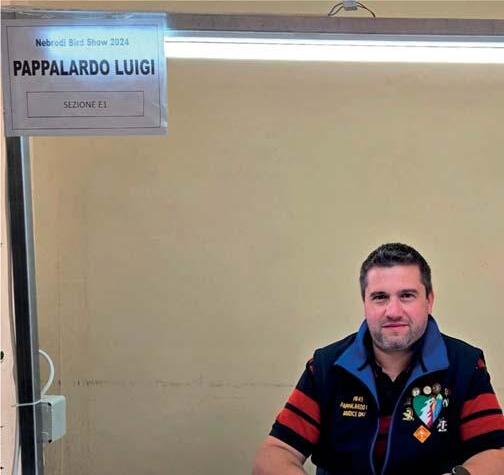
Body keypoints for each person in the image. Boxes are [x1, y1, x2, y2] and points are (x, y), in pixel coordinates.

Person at [253, 243, 504, 475]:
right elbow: (275, 453)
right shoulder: (326, 367)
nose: (393, 311)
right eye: (380, 297)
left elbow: (496, 454)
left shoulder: (465, 365)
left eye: (407, 295)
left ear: (429, 300)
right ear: (365, 302)